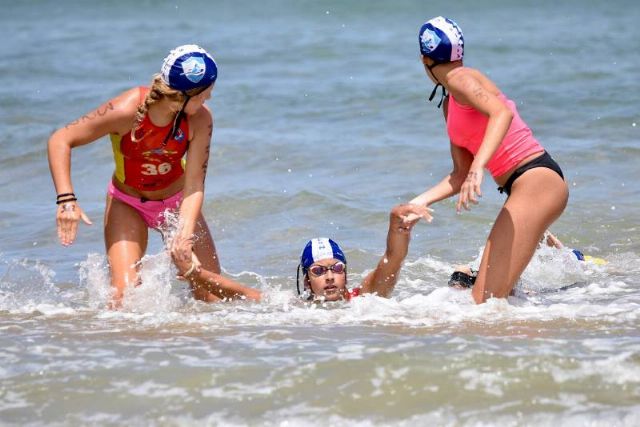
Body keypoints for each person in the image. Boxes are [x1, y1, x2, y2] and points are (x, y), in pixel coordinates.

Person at [409, 17, 569, 303]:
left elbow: (501, 114)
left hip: (536, 180)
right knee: (491, 298)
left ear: (424, 59)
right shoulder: (450, 101)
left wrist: (478, 169)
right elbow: (460, 174)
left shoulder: (461, 79)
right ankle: (555, 261)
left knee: (485, 303)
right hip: (524, 188)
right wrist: (418, 203)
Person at [48, 44, 223, 306]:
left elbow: (195, 183)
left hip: (177, 203)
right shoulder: (125, 110)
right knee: (123, 298)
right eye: (205, 92)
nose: (209, 96)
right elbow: (61, 139)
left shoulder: (200, 119)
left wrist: (183, 235)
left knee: (210, 294)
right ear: (181, 95)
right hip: (127, 204)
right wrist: (66, 200)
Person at [170, 204, 432, 302]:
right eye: (319, 271)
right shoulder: (291, 307)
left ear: (345, 274)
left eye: (336, 268)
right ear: (307, 280)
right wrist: (196, 273)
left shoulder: (363, 298)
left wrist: (397, 226)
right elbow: (239, 293)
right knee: (208, 301)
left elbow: (392, 259)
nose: (329, 276)